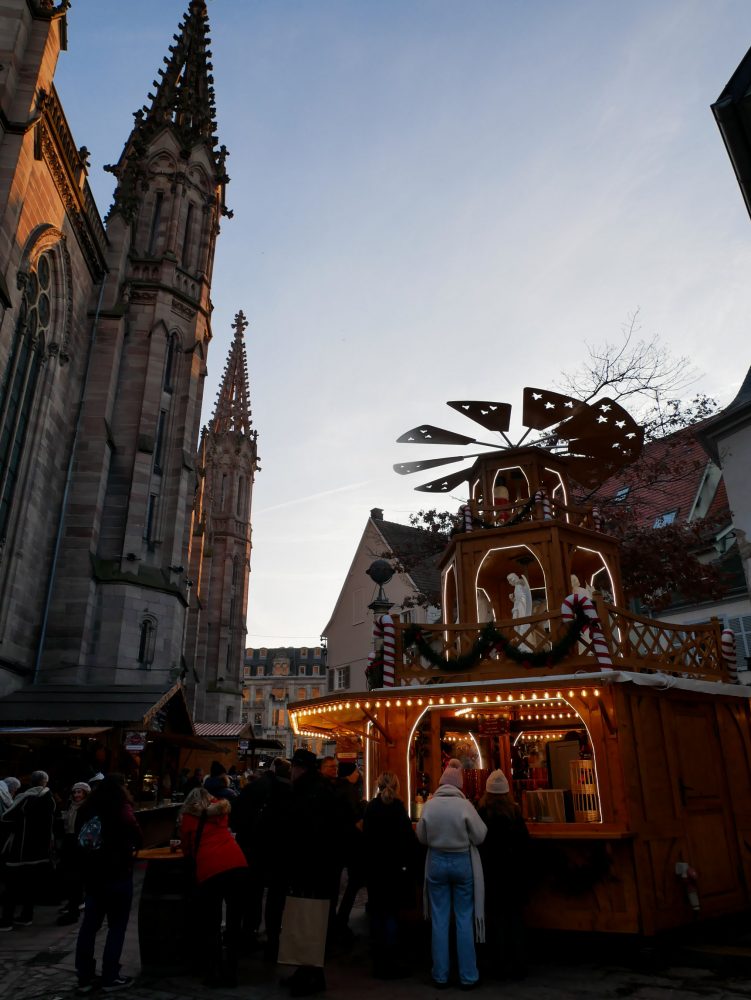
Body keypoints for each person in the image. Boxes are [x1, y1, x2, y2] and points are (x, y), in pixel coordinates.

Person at [282, 748, 349, 997]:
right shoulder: (322, 790)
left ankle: (310, 974)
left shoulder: (309, 792)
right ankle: (307, 971)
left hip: (311, 865)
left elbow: (308, 829)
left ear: (301, 768)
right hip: (320, 865)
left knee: (309, 919)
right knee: (309, 918)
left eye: (294, 767)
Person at [416, 758, 487, 990]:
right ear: (458, 785)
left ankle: (440, 974)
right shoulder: (465, 806)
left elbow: (421, 837)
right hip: (461, 862)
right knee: (464, 918)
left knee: (439, 919)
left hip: (436, 861)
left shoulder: (430, 805)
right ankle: (468, 975)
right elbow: (480, 835)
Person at [74, 774, 142, 994]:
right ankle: (110, 975)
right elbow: (137, 835)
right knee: (117, 926)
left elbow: (79, 838)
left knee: (89, 927)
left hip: (93, 875)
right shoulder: (122, 809)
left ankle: (84, 975)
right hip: (118, 873)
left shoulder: (86, 808)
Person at [179, 786, 248, 987]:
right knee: (235, 921)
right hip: (237, 864)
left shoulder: (189, 818)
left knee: (212, 922)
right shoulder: (221, 813)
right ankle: (232, 970)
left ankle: (214, 969)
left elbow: (187, 848)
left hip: (211, 870)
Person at [234, 756, 293, 961]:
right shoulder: (287, 792)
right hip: (277, 853)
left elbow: (237, 817)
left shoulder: (255, 787)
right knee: (275, 898)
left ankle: (249, 933)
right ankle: (273, 939)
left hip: (252, 850)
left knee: (253, 894)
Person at [362, 772, 418, 979]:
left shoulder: (371, 808)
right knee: (392, 913)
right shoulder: (399, 809)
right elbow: (408, 841)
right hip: (394, 870)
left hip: (376, 870)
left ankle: (378, 960)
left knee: (377, 913)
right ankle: (392, 959)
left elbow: (366, 839)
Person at [477, 770, 530, 981]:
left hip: (491, 873)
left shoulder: (482, 813)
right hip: (513, 874)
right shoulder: (515, 815)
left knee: (495, 918)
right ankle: (517, 963)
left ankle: (497, 963)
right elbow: (524, 845)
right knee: (514, 918)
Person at [0, 770, 56, 930]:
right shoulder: (50, 799)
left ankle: (6, 920)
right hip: (40, 851)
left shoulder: (25, 798)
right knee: (30, 885)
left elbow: (6, 817)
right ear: (45, 782)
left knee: (11, 887)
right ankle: (26, 916)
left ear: (31, 782)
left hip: (20, 850)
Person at [334, 762, 366, 944]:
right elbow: (357, 821)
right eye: (356, 771)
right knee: (354, 883)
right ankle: (341, 921)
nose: (358, 774)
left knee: (341, 884)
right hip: (350, 843)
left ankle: (336, 920)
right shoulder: (350, 791)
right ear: (350, 774)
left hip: (338, 842)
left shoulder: (336, 788)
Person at [57, 781, 91, 926]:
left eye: (80, 792)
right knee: (69, 876)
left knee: (76, 877)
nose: (77, 795)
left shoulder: (87, 808)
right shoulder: (70, 806)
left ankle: (74, 908)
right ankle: (73, 904)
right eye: (75, 792)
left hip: (79, 844)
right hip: (69, 842)